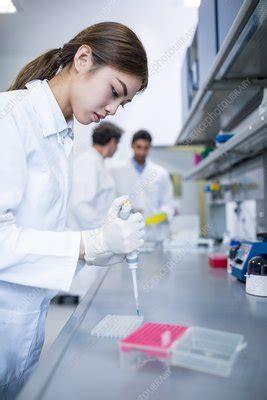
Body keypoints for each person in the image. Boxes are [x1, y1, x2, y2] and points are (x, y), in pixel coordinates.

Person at [0, 22, 148, 399]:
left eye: (123, 103)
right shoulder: (9, 118)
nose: (113, 108)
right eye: (115, 92)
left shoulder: (61, 134)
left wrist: (101, 243)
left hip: (23, 327)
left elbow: (36, 231)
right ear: (83, 59)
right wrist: (91, 244)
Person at [64, 122, 123, 302]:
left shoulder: (97, 162)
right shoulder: (88, 163)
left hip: (94, 237)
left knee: (91, 298)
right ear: (112, 142)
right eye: (117, 144)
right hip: (89, 237)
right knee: (86, 301)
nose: (116, 148)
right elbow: (79, 205)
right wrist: (103, 230)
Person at [110, 130, 175, 240]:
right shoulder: (118, 172)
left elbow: (168, 202)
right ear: (132, 146)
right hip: (127, 234)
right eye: (138, 147)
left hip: (154, 234)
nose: (142, 152)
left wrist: (162, 215)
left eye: (146, 148)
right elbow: (112, 201)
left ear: (150, 148)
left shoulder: (160, 173)